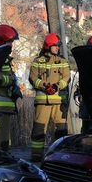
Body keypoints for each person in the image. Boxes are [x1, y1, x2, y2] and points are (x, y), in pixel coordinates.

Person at [29, 33, 71, 161]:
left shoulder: (63, 61)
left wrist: (57, 86)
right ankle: (36, 156)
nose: (58, 48)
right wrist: (44, 86)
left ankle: (59, 156)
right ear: (48, 46)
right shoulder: (37, 62)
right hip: (43, 102)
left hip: (59, 102)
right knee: (39, 130)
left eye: (58, 46)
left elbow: (67, 78)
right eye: (55, 46)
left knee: (61, 131)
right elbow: (32, 78)